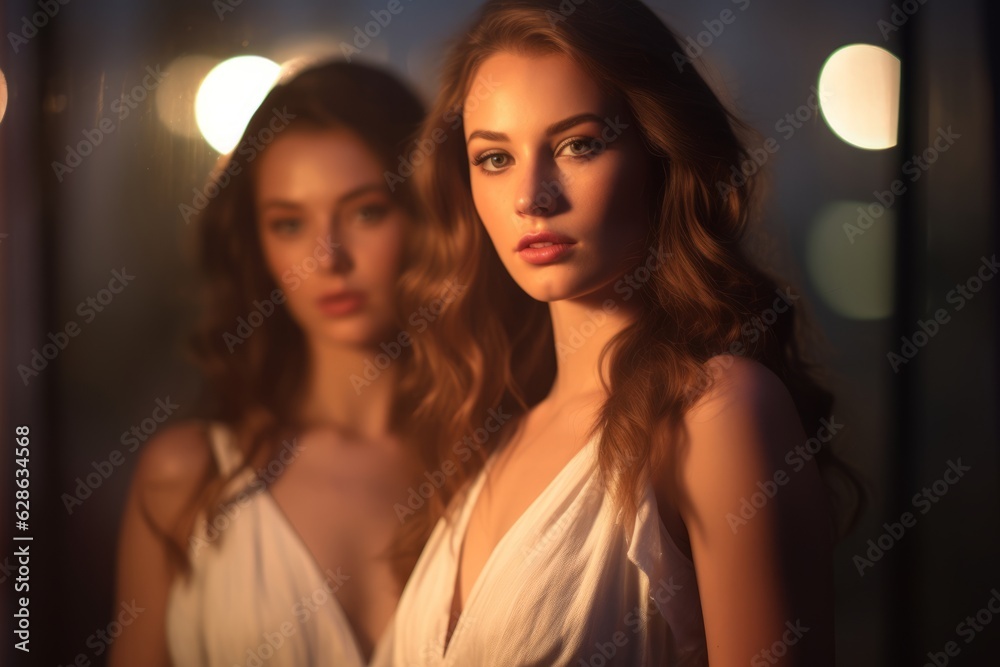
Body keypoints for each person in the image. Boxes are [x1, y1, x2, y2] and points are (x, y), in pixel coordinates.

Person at [388, 1, 863, 665]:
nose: (532, 196)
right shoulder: (489, 439)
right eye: (494, 157)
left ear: (659, 154)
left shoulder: (718, 413)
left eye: (578, 144)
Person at [109, 60, 429, 667]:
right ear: (256, 243)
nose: (327, 258)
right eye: (289, 223)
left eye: (366, 211)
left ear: (428, 218)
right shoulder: (188, 477)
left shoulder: (491, 459)